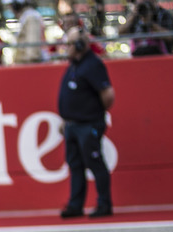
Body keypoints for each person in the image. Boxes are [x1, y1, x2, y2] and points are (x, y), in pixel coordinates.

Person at [58, 27, 116, 219]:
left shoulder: (92, 65)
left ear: (80, 45)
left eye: (69, 44)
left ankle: (104, 204)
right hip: (72, 124)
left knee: (95, 163)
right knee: (75, 165)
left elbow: (108, 95)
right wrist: (66, 119)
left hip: (88, 124)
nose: (66, 48)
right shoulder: (74, 64)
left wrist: (92, 115)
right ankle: (76, 205)